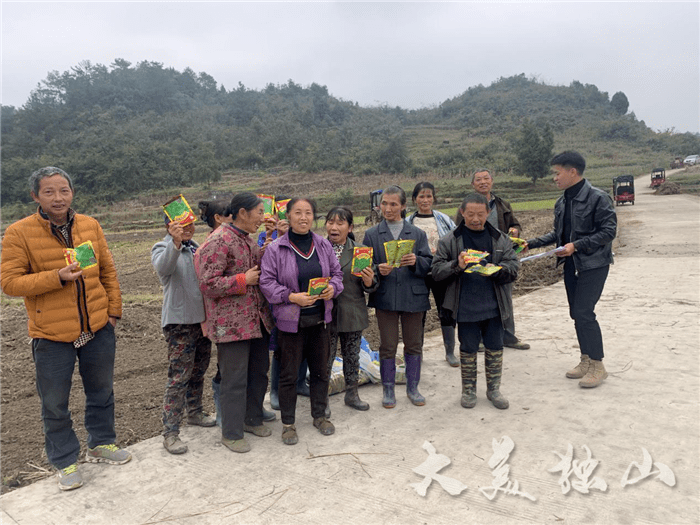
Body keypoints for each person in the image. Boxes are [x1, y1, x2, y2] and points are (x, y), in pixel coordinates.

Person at [0, 167, 131, 491]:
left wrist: (113, 312)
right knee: (55, 402)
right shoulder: (19, 233)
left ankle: (101, 443)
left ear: (72, 193)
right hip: (51, 334)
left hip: (98, 328)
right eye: (49, 192)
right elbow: (9, 282)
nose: (58, 198)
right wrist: (55, 276)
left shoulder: (90, 225)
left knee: (101, 391)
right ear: (36, 196)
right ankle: (65, 460)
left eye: (64, 190)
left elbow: (108, 272)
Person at [525, 151, 617, 388]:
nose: (554, 178)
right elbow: (559, 235)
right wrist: (531, 243)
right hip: (571, 265)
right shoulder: (563, 201)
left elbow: (608, 232)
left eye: (557, 173)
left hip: (593, 264)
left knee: (585, 312)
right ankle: (585, 359)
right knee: (576, 313)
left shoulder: (598, 198)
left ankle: (598, 365)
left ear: (572, 171)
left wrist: (576, 246)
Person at [194, 193, 275, 453]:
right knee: (235, 379)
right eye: (259, 212)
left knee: (258, 372)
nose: (262, 217)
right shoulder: (218, 241)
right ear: (242, 212)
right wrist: (242, 280)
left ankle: (252, 418)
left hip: (257, 320)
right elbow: (207, 284)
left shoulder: (248, 240)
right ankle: (231, 432)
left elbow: (258, 269)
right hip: (232, 325)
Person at [259, 197, 343, 445]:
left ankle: (319, 415)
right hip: (290, 323)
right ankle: (288, 424)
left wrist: (332, 289)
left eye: (308, 212)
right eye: (298, 212)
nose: (303, 217)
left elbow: (337, 274)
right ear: (288, 216)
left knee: (319, 372)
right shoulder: (276, 249)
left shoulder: (323, 246)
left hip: (319, 321)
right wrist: (291, 297)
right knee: (288, 375)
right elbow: (267, 282)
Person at [432, 193, 519, 410]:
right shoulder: (449, 240)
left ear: (488, 213)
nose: (475, 219)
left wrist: (498, 271)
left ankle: (494, 389)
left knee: (495, 347)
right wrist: (457, 265)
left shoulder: (500, 239)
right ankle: (468, 390)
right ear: (462, 213)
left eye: (480, 214)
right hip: (465, 306)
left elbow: (513, 267)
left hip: (495, 305)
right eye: (470, 214)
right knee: (468, 348)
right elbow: (436, 271)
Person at [152, 212, 217, 455]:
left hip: (201, 321)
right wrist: (175, 242)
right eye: (181, 225)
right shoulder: (163, 247)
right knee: (179, 376)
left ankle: (196, 412)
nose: (187, 228)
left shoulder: (196, 248)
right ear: (170, 227)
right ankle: (170, 432)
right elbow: (164, 268)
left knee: (199, 370)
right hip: (179, 323)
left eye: (190, 224)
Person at [362, 186, 433, 408]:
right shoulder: (372, 235)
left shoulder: (417, 234)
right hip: (386, 298)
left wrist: (416, 262)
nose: (388, 208)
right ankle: (389, 390)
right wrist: (376, 270)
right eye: (384, 203)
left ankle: (413, 387)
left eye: (393, 204)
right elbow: (364, 266)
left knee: (413, 345)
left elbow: (429, 264)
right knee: (388, 345)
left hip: (413, 297)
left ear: (403, 206)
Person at [325, 206, 378, 411]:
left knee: (351, 355)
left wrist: (368, 281)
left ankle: (352, 394)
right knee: (325, 358)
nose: (334, 227)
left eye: (340, 223)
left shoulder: (359, 251)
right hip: (325, 314)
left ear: (350, 227)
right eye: (331, 222)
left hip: (352, 311)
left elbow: (371, 286)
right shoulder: (319, 249)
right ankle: (322, 399)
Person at [471, 169, 530, 350]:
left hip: (501, 256)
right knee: (479, 298)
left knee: (505, 296)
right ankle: (480, 339)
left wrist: (515, 230)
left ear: (492, 181)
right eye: (478, 180)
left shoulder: (502, 204)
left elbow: (515, 223)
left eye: (486, 178)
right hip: (478, 256)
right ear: (473, 185)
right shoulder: (467, 205)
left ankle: (508, 336)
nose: (483, 182)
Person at [407, 182, 459, 366]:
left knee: (446, 310)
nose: (425, 200)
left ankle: (450, 351)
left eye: (429, 196)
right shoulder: (408, 222)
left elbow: (456, 240)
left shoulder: (444, 219)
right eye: (421, 196)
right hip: (417, 272)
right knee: (418, 313)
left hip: (441, 270)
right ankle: (417, 353)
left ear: (434, 198)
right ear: (414, 199)